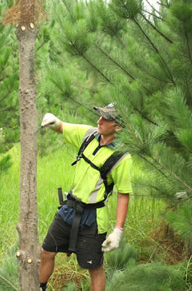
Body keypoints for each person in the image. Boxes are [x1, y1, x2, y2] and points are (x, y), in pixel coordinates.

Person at [39, 103, 133, 291]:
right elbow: (62, 127)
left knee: (94, 267)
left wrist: (118, 230)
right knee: (46, 252)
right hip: (69, 209)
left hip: (94, 218)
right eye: (100, 116)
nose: (99, 121)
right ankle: (39, 287)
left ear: (118, 127)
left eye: (106, 119)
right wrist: (54, 121)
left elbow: (123, 194)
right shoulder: (89, 135)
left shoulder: (122, 157)